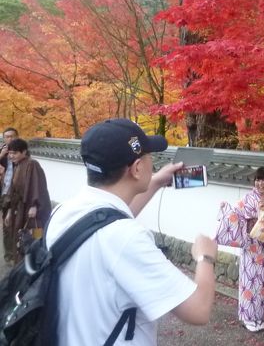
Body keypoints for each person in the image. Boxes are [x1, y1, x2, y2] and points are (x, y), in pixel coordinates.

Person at [46, 118, 217, 346]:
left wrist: (155, 182)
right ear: (137, 168)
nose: (152, 162)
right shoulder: (127, 238)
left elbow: (108, 220)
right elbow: (198, 310)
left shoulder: (64, 212)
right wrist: (206, 257)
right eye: (149, 157)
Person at [230, 166, 264, 332]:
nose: (260, 183)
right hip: (251, 245)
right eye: (257, 179)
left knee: (263, 281)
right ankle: (248, 317)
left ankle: (260, 316)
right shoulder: (248, 198)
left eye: (263, 179)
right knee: (249, 281)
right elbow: (236, 216)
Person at [4, 137, 51, 263]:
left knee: (31, 236)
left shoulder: (32, 164)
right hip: (19, 208)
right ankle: (21, 265)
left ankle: (32, 265)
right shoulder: (18, 165)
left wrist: (35, 205)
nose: (11, 156)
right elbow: (12, 190)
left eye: (14, 153)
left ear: (24, 152)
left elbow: (38, 186)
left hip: (30, 208)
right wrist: (9, 210)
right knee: (20, 237)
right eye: (10, 153)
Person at [0, 127, 18, 263]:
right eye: (7, 136)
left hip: (17, 194)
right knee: (6, 226)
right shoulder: (2, 154)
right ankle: (9, 254)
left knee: (16, 225)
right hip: (3, 193)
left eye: (12, 136)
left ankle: (17, 253)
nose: (9, 139)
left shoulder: (22, 154)